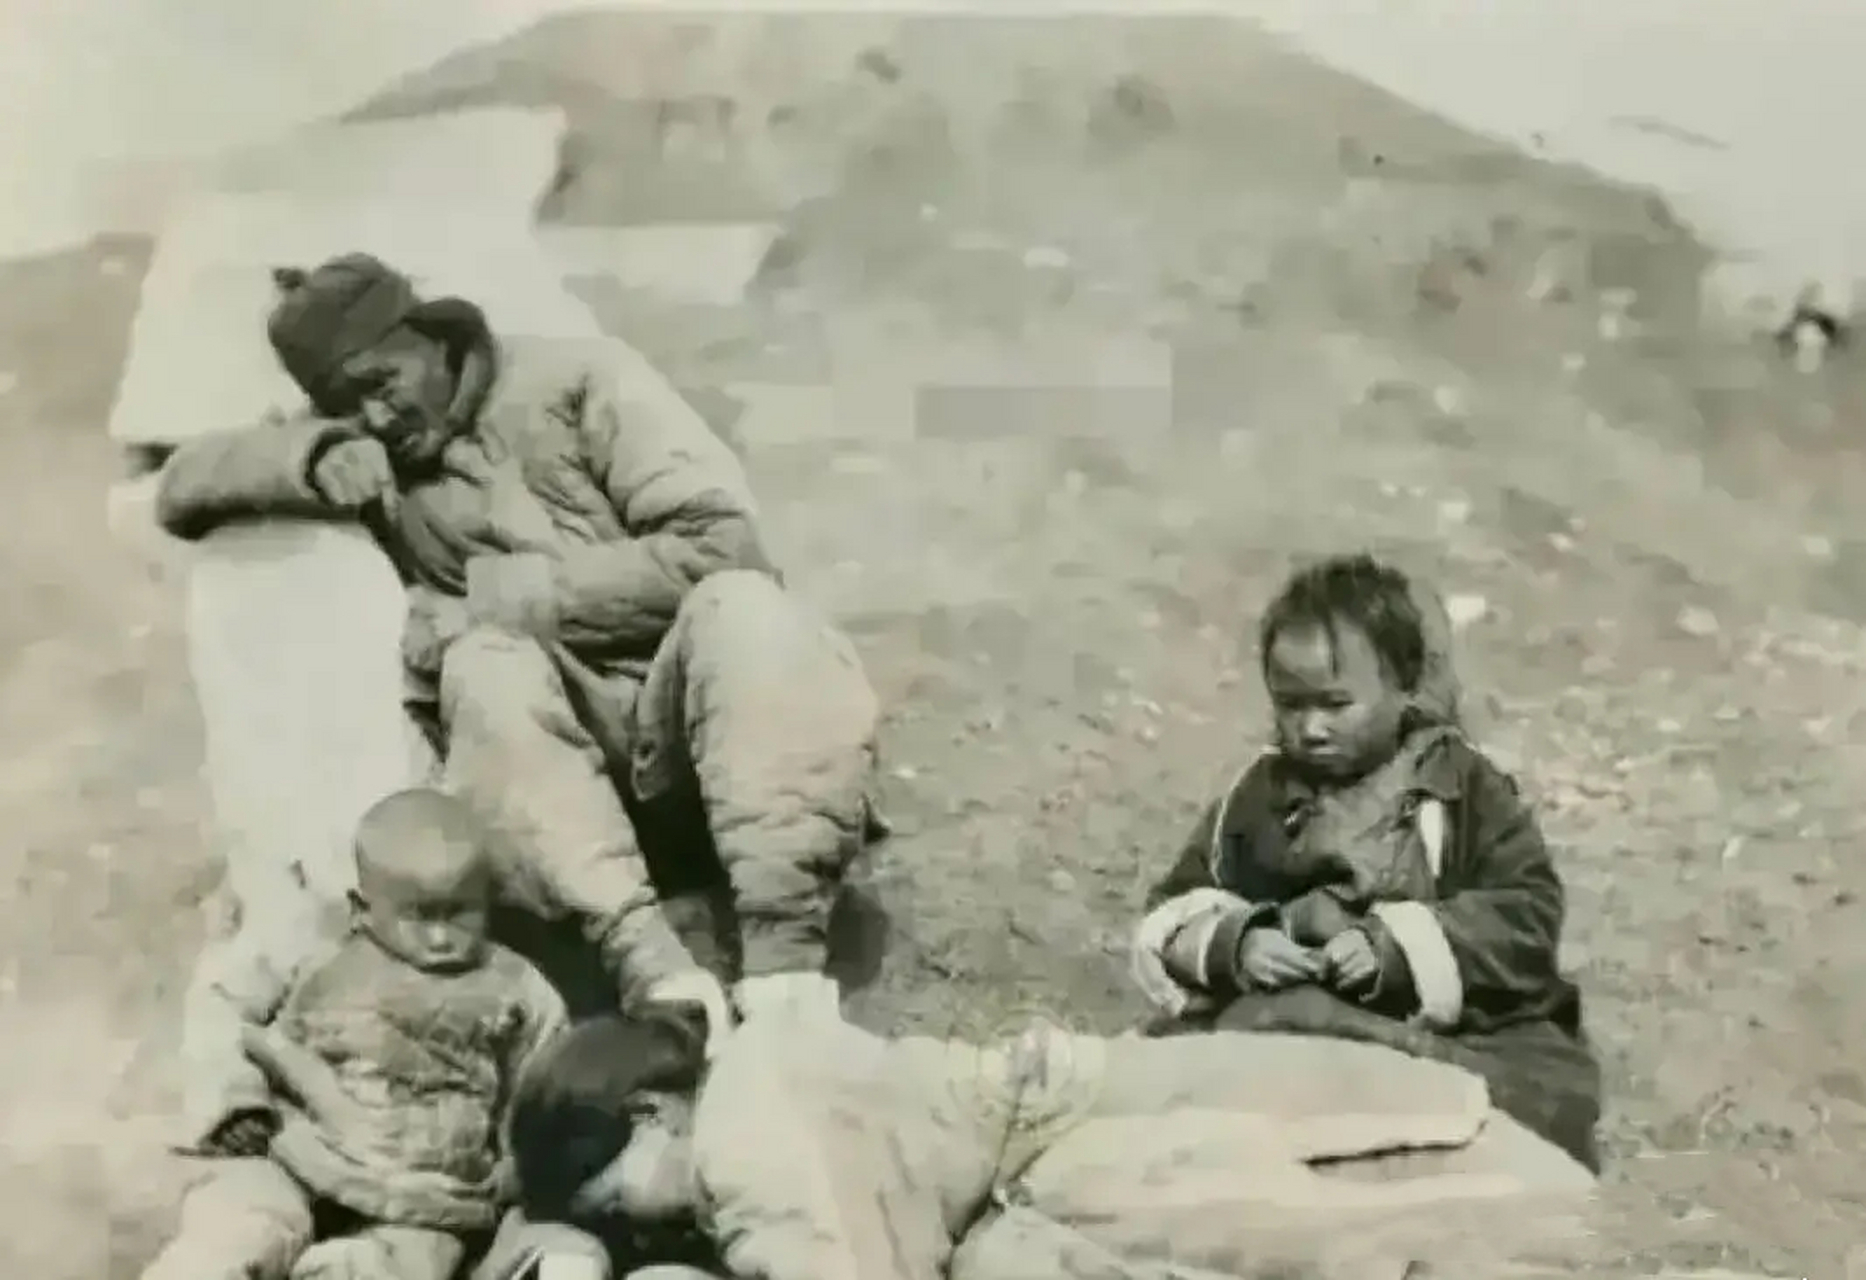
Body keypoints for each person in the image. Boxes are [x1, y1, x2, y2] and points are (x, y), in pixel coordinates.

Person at [155, 252, 883, 1139]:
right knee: (483, 667)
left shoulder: (580, 379)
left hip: (701, 730)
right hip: (556, 806)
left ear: (430, 339)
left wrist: (500, 596)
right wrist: (311, 452)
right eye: (344, 405)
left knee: (748, 615)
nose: (378, 418)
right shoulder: (364, 445)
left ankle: (785, 977)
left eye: (383, 385)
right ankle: (658, 980)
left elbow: (723, 549)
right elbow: (182, 485)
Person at [468, 1005, 1596, 1280]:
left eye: (616, 1197)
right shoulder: (767, 1049)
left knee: (1289, 1222)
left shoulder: (741, 1146)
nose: (632, 1220)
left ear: (653, 1115)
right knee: (1313, 1120)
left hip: (1061, 1165)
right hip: (1071, 1094)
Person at [1130, 552, 1603, 1171]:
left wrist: (1396, 949)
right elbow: (1180, 902)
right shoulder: (1259, 797)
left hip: (1437, 1036)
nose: (1310, 729)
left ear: (1405, 686)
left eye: (1334, 704)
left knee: (1535, 1101)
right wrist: (1237, 945)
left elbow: (1527, 913)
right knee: (1177, 1073)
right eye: (1290, 705)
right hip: (1291, 1015)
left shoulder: (1462, 791)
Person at [141, 789, 568, 1280]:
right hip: (296, 1153)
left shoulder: (519, 988)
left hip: (423, 1194)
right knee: (242, 1225)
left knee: (407, 1261)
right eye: (420, 916)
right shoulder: (319, 956)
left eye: (459, 912)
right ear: (363, 907)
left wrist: (518, 1164)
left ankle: (344, 1268)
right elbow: (227, 1021)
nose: (441, 937)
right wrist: (239, 1100)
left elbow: (545, 1085)